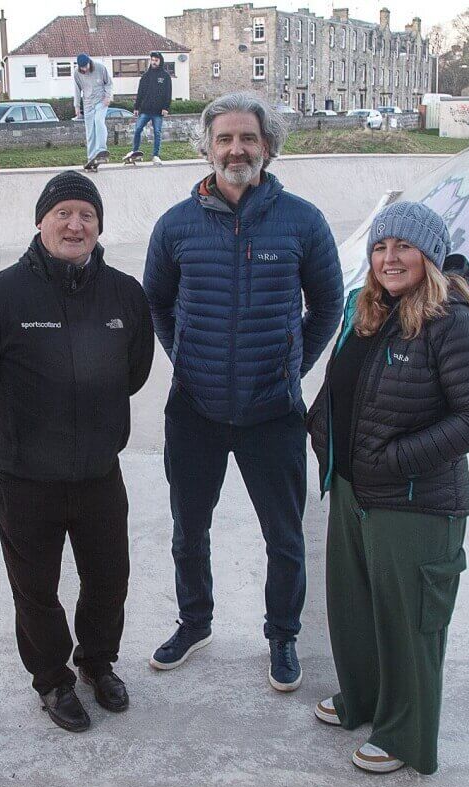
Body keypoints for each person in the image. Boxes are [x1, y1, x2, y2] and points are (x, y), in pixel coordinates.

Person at [142, 92, 343, 690]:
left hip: (273, 411)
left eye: (248, 139)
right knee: (189, 529)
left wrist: (289, 368)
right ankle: (194, 622)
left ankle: (283, 637)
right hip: (195, 411)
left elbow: (328, 305)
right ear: (206, 148)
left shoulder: (302, 221)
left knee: (283, 537)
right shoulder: (176, 225)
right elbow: (157, 302)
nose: (236, 149)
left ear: (268, 147)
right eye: (224, 139)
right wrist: (188, 358)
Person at [0, 171, 154, 733]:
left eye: (86, 214)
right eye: (62, 212)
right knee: (35, 588)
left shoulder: (124, 295)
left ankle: (96, 664)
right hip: (24, 476)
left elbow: (134, 372)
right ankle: (54, 680)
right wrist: (13, 417)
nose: (75, 223)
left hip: (98, 473)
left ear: (99, 226)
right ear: (40, 222)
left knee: (109, 578)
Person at [306, 202, 469, 775]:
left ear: (430, 256)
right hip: (352, 487)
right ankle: (363, 699)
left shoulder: (452, 321)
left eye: (404, 247)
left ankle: (404, 734)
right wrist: (320, 427)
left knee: (409, 621)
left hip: (413, 501)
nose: (389, 258)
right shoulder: (367, 310)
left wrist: (395, 460)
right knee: (355, 607)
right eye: (380, 247)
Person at [126, 52, 172, 165]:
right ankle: (135, 152)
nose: (154, 62)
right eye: (152, 60)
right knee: (137, 130)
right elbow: (140, 92)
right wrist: (136, 107)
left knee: (157, 132)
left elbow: (168, 93)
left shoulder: (165, 76)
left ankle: (156, 156)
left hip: (158, 111)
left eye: (156, 60)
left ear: (160, 61)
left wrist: (166, 108)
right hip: (145, 110)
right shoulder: (146, 76)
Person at [73, 54, 112, 169]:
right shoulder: (77, 72)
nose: (84, 69)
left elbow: (109, 83)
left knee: (99, 122)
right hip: (88, 103)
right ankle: (91, 159)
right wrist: (76, 106)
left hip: (101, 101)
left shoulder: (100, 68)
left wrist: (108, 96)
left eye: (86, 66)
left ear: (89, 62)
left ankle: (101, 150)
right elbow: (77, 89)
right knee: (90, 132)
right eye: (82, 68)